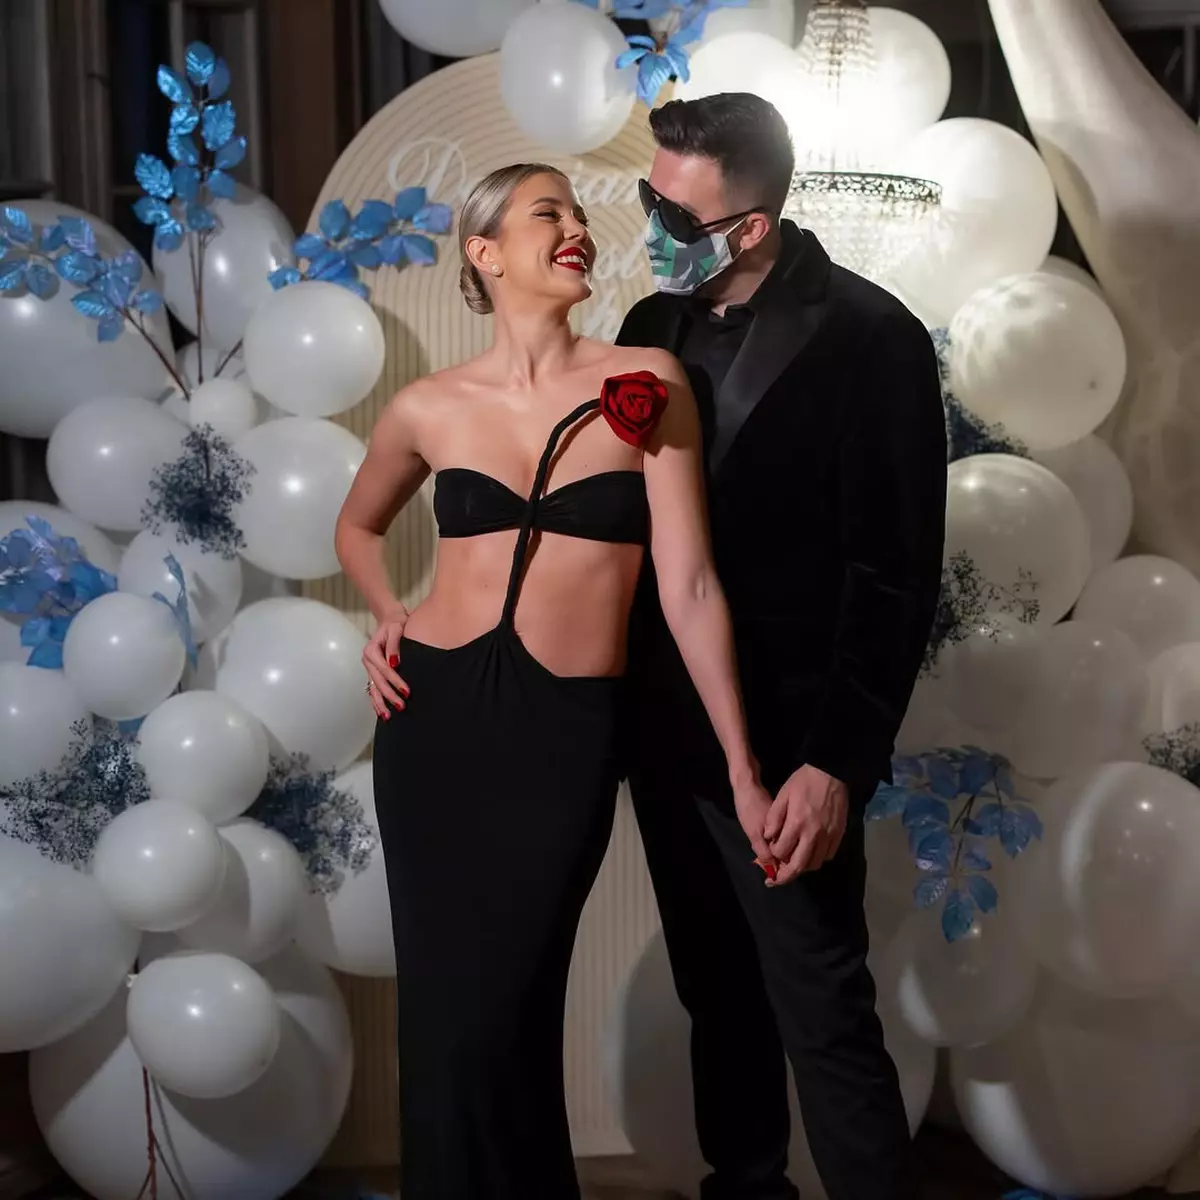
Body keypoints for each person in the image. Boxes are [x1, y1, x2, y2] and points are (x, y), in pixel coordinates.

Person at [334, 161, 775, 1200]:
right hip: (434, 721)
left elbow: (691, 585)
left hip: (565, 731)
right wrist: (389, 614)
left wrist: (744, 767)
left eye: (579, 214)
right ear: (486, 253)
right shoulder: (429, 406)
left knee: (510, 1004)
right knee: (445, 1017)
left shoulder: (647, 380)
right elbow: (356, 528)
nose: (577, 228)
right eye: (549, 215)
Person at [618, 93, 948, 1200]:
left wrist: (835, 763)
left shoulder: (873, 336)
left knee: (823, 1007)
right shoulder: (647, 326)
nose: (651, 225)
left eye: (675, 214)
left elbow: (895, 576)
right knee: (716, 994)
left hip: (795, 743)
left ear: (750, 225)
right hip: (666, 733)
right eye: (649, 197)